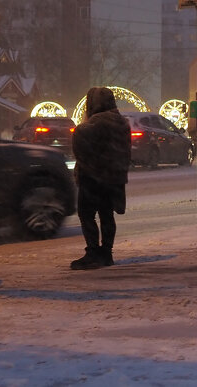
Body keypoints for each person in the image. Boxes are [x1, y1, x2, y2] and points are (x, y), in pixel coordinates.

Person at [70, 86, 131, 270]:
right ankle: (106, 252)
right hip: (113, 178)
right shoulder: (121, 122)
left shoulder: (96, 123)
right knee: (106, 214)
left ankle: (93, 252)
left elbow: (81, 139)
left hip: (93, 176)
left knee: (86, 214)